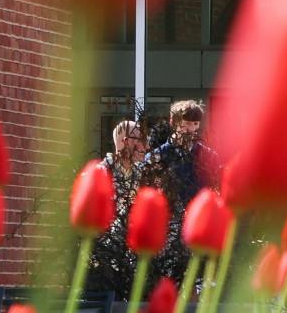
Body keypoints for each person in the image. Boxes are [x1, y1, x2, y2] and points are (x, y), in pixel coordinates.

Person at [138, 99, 213, 281]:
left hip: (198, 225)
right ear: (175, 123)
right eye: (187, 123)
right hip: (169, 227)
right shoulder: (158, 157)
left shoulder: (207, 156)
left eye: (195, 124)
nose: (191, 129)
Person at [90, 118, 146, 297]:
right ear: (124, 141)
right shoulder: (101, 173)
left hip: (136, 255)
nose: (142, 145)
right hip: (106, 255)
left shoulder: (143, 175)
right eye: (137, 139)